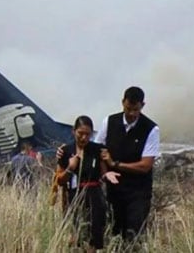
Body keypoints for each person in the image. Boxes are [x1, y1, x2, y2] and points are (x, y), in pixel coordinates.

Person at [94, 86, 160, 244]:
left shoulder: (151, 129)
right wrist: (105, 173)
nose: (131, 114)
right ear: (123, 102)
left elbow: (145, 165)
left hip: (138, 192)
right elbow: (98, 150)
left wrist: (115, 164)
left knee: (133, 235)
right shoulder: (109, 122)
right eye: (128, 108)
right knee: (115, 234)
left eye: (135, 110)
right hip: (114, 190)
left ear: (142, 106)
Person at [57, 116, 120, 252]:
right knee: (76, 236)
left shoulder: (97, 149)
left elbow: (103, 172)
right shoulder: (66, 151)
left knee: (94, 237)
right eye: (80, 133)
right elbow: (60, 180)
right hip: (74, 197)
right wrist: (70, 168)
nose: (84, 138)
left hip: (94, 197)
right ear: (73, 131)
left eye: (88, 134)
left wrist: (107, 174)